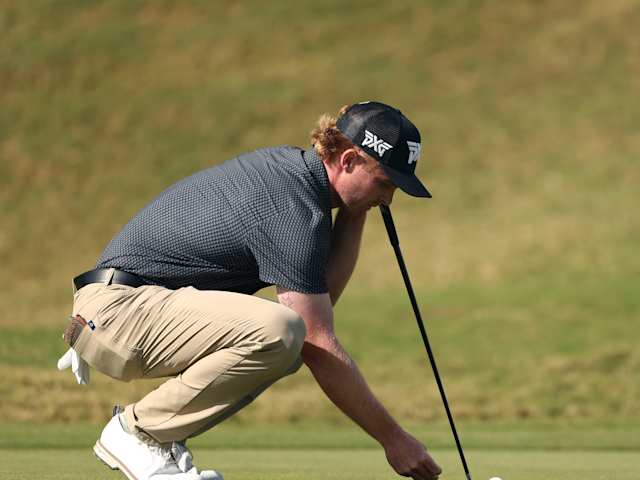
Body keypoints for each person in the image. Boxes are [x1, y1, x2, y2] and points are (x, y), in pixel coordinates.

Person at [57, 101, 442, 480]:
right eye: (385, 182)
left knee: (287, 343)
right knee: (284, 332)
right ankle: (139, 434)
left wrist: (356, 212)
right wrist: (394, 440)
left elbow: (322, 301)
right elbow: (318, 340)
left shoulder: (297, 183)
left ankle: (161, 438)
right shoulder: (291, 205)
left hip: (122, 310)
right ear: (349, 161)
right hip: (119, 312)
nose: (389, 198)